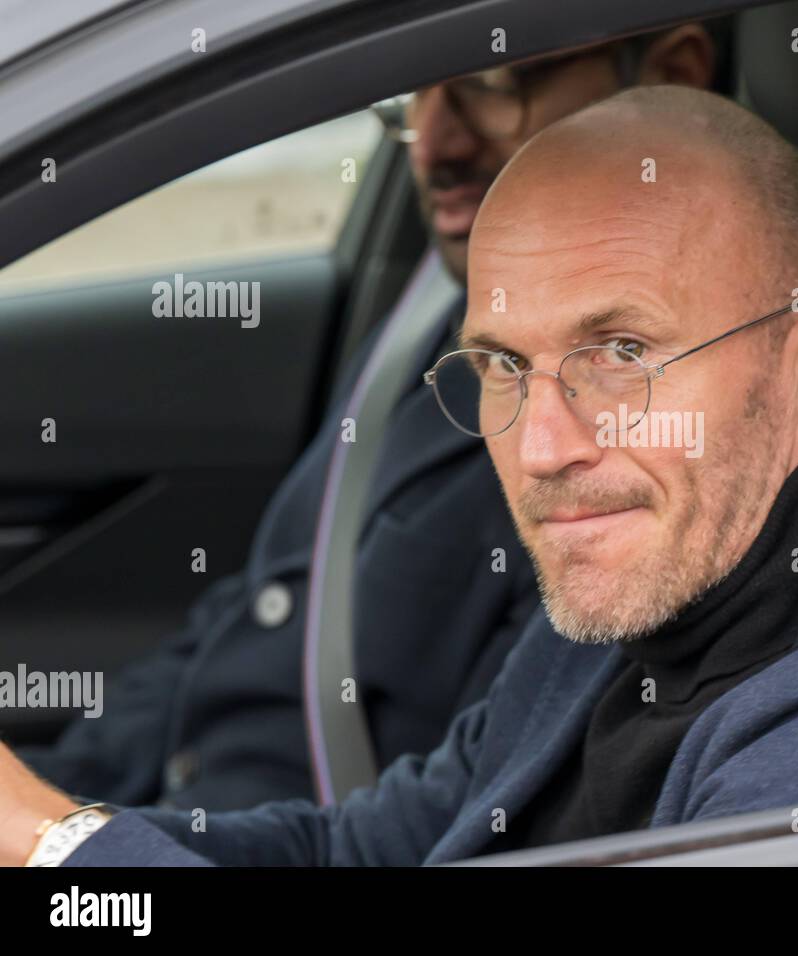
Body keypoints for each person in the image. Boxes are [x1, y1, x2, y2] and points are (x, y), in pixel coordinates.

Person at [0, 85, 798, 866]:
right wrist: (55, 837)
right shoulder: (644, 597)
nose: (544, 445)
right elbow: (367, 849)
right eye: (503, 366)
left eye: (620, 354)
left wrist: (68, 851)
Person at [13, 26, 719, 812]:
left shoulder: (653, 460)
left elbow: (458, 822)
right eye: (414, 90)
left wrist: (75, 847)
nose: (433, 144)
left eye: (491, 83)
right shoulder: (433, 311)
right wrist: (58, 796)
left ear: (671, 76)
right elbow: (264, 600)